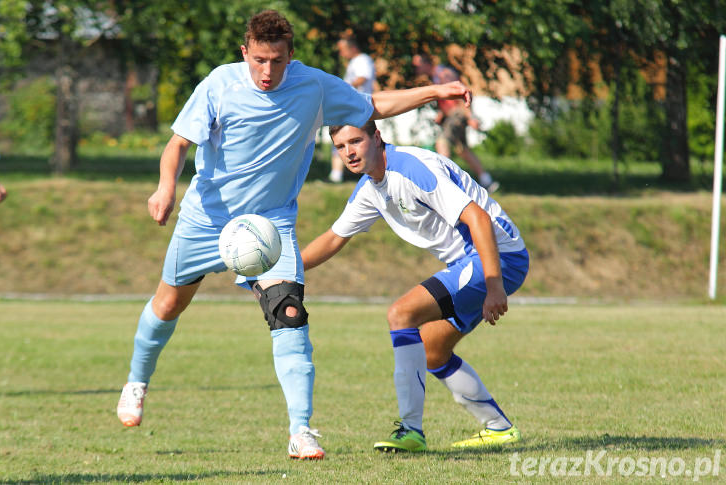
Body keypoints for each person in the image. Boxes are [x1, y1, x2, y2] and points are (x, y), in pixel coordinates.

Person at [115, 9, 474, 461]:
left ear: (291, 56)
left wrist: (436, 91)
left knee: (289, 313)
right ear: (245, 52)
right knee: (168, 305)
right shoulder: (218, 85)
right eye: (259, 60)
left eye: (277, 61)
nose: (267, 71)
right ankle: (136, 382)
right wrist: (165, 186)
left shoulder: (314, 87)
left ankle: (301, 431)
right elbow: (179, 144)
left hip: (271, 224)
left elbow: (373, 106)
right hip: (206, 219)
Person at [301, 120, 528, 452]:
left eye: (355, 141)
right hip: (476, 263)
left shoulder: (412, 169)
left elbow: (478, 218)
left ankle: (410, 430)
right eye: (340, 146)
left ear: (377, 137)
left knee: (401, 314)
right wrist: (284, 271)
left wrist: (494, 285)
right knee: (432, 351)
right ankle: (498, 428)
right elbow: (334, 238)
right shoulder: (370, 188)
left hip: (496, 255)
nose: (348, 152)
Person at [412, 54, 499, 193]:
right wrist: (441, 113)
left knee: (442, 142)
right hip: (451, 115)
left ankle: (445, 182)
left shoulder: (443, 74)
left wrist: (471, 116)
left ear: (426, 64)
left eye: (416, 66)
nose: (415, 69)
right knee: (462, 149)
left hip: (457, 114)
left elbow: (461, 93)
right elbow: (447, 98)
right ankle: (487, 181)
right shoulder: (434, 77)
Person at [328, 36, 376, 183]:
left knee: (358, 142)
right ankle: (336, 175)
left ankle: (369, 174)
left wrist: (345, 89)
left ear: (352, 48)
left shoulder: (362, 60)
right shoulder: (355, 62)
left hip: (358, 107)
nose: (341, 54)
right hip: (351, 107)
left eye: (343, 50)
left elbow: (363, 78)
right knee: (342, 140)